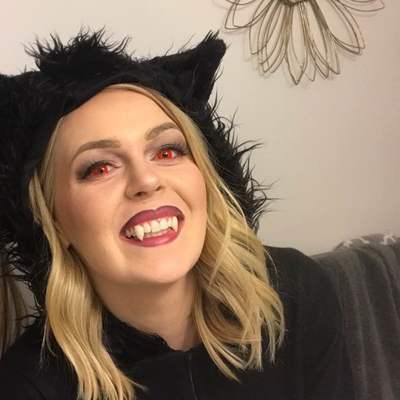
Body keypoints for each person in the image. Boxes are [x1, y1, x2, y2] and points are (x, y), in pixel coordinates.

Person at [0, 27, 355, 399]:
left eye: (167, 151)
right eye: (100, 167)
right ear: (52, 221)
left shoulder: (295, 292)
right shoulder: (28, 386)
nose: (147, 180)